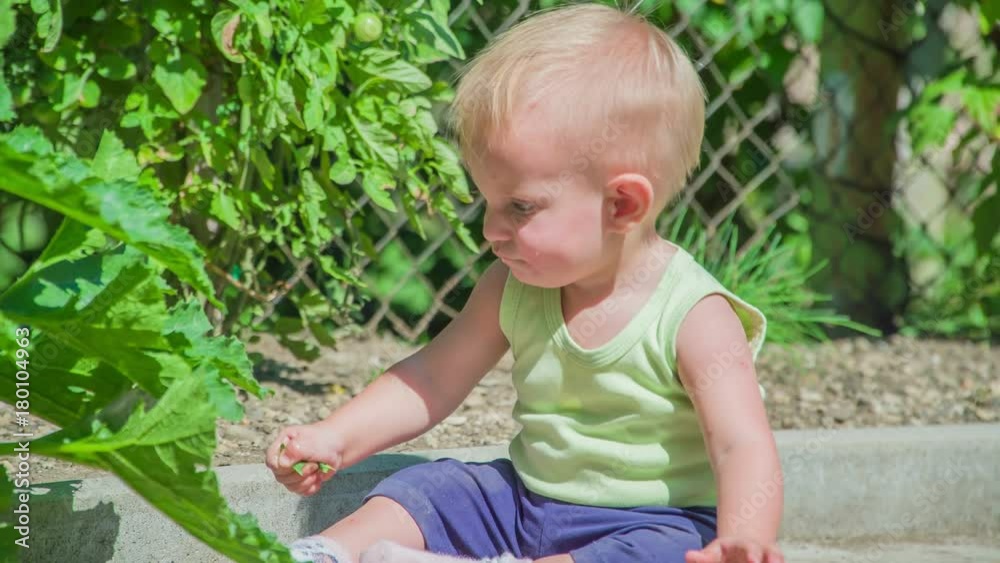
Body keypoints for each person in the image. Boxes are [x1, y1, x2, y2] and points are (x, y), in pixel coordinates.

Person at [265, 3, 785, 562]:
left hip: (655, 521)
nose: (492, 230)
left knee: (662, 553)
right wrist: (336, 438)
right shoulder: (511, 287)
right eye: (488, 202)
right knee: (432, 489)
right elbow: (432, 378)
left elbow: (740, 445)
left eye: (519, 206)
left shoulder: (694, 315)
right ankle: (325, 553)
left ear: (622, 204)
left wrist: (744, 540)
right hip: (525, 503)